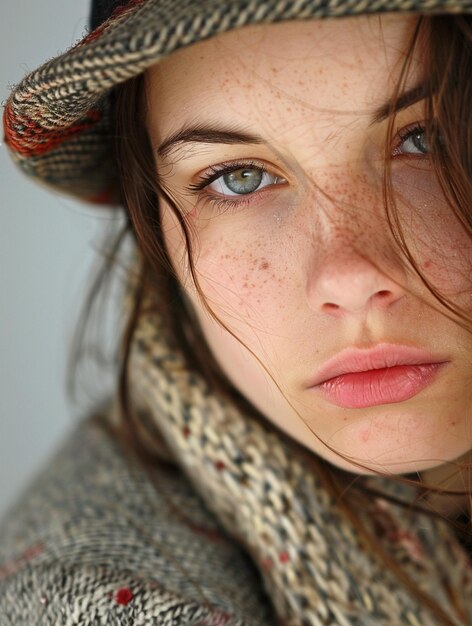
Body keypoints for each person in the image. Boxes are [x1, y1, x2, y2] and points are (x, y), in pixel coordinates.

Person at [1, 0, 471, 624]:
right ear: (156, 231)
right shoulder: (105, 601)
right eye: (240, 177)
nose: (351, 279)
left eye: (426, 141)